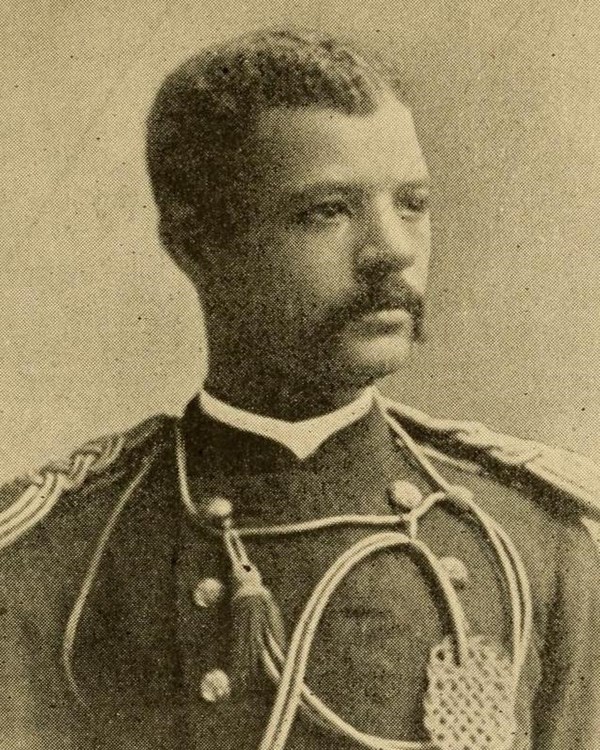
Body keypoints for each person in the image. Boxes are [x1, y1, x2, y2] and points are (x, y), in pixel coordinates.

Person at [0, 28, 598, 750]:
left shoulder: (531, 542)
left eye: (412, 203)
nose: (393, 249)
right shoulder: (57, 561)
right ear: (195, 244)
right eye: (328, 210)